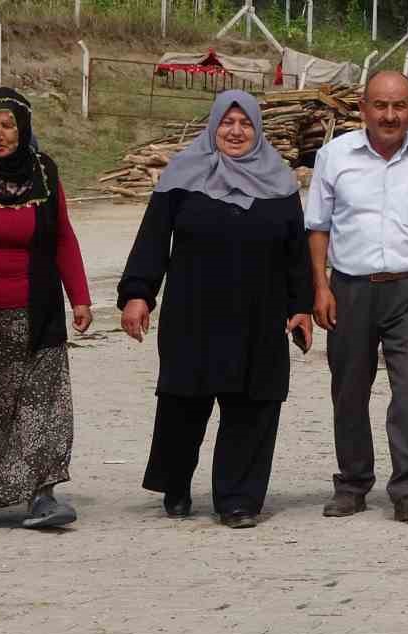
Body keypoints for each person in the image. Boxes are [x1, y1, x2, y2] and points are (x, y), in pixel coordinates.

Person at [118, 91, 314, 528]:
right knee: (183, 402)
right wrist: (138, 294)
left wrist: (300, 305)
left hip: (259, 313)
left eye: (245, 123)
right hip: (193, 311)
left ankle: (238, 499)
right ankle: (176, 482)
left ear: (258, 129)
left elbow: (295, 252)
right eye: (227, 122)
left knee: (254, 403)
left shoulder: (280, 183)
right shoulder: (181, 175)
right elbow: (153, 239)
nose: (236, 131)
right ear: (213, 126)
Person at [305, 71, 408, 523]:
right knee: (349, 390)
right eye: (380, 105)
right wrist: (321, 287)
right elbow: (317, 228)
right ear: (363, 108)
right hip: (351, 291)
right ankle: (352, 484)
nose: (390, 115)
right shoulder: (334, 156)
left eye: (399, 106)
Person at [0, 87, 94, 529]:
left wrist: (80, 297)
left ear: (22, 129)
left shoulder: (43, 172)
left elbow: (62, 236)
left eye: (8, 125)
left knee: (42, 405)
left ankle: (42, 496)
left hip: (37, 313)